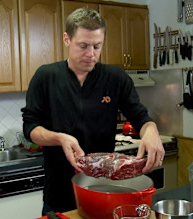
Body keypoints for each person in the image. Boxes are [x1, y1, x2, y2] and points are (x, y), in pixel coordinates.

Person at [21, 8, 165, 215]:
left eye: (97, 46)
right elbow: (30, 127)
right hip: (58, 195)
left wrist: (150, 131)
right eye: (83, 46)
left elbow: (140, 117)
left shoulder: (115, 78)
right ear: (66, 39)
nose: (91, 54)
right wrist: (59, 138)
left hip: (103, 192)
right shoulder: (46, 77)